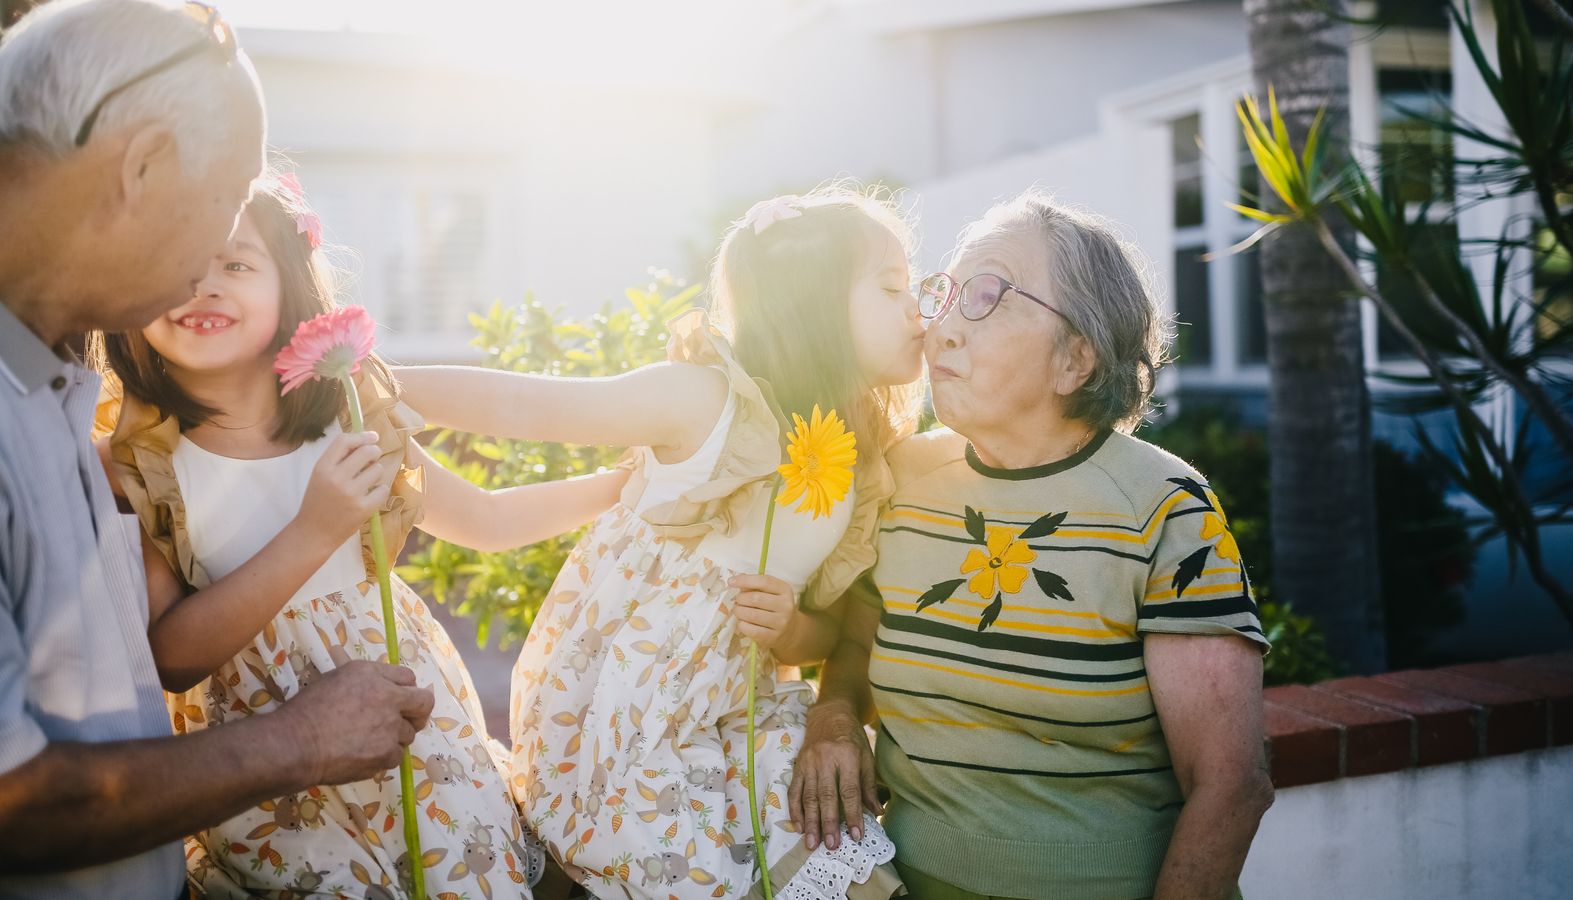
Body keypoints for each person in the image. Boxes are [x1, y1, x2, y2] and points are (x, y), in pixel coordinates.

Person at [92, 172, 629, 896]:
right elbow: (173, 658)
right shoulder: (141, 461)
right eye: (178, 264)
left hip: (414, 731)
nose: (204, 285)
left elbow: (486, 519)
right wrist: (315, 530)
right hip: (272, 771)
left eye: (237, 264)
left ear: (290, 288)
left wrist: (622, 488)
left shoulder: (349, 416)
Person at [0, 2, 432, 896]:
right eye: (227, 202)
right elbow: (14, 799)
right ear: (142, 165)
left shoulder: (52, 389)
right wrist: (300, 741)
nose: (212, 258)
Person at [394, 184, 926, 900]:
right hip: (632, 719)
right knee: (702, 861)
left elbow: (820, 635)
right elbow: (534, 406)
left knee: (830, 846)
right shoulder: (708, 402)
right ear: (817, 304)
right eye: (893, 288)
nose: (917, 310)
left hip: (741, 704)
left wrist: (793, 625)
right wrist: (387, 385)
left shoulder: (861, 459)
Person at [789, 192, 1274, 900]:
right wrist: (833, 717)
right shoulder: (902, 478)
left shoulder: (1164, 509)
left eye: (987, 296)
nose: (942, 330)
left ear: (1075, 359)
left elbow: (1230, 785)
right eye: (945, 295)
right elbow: (858, 646)